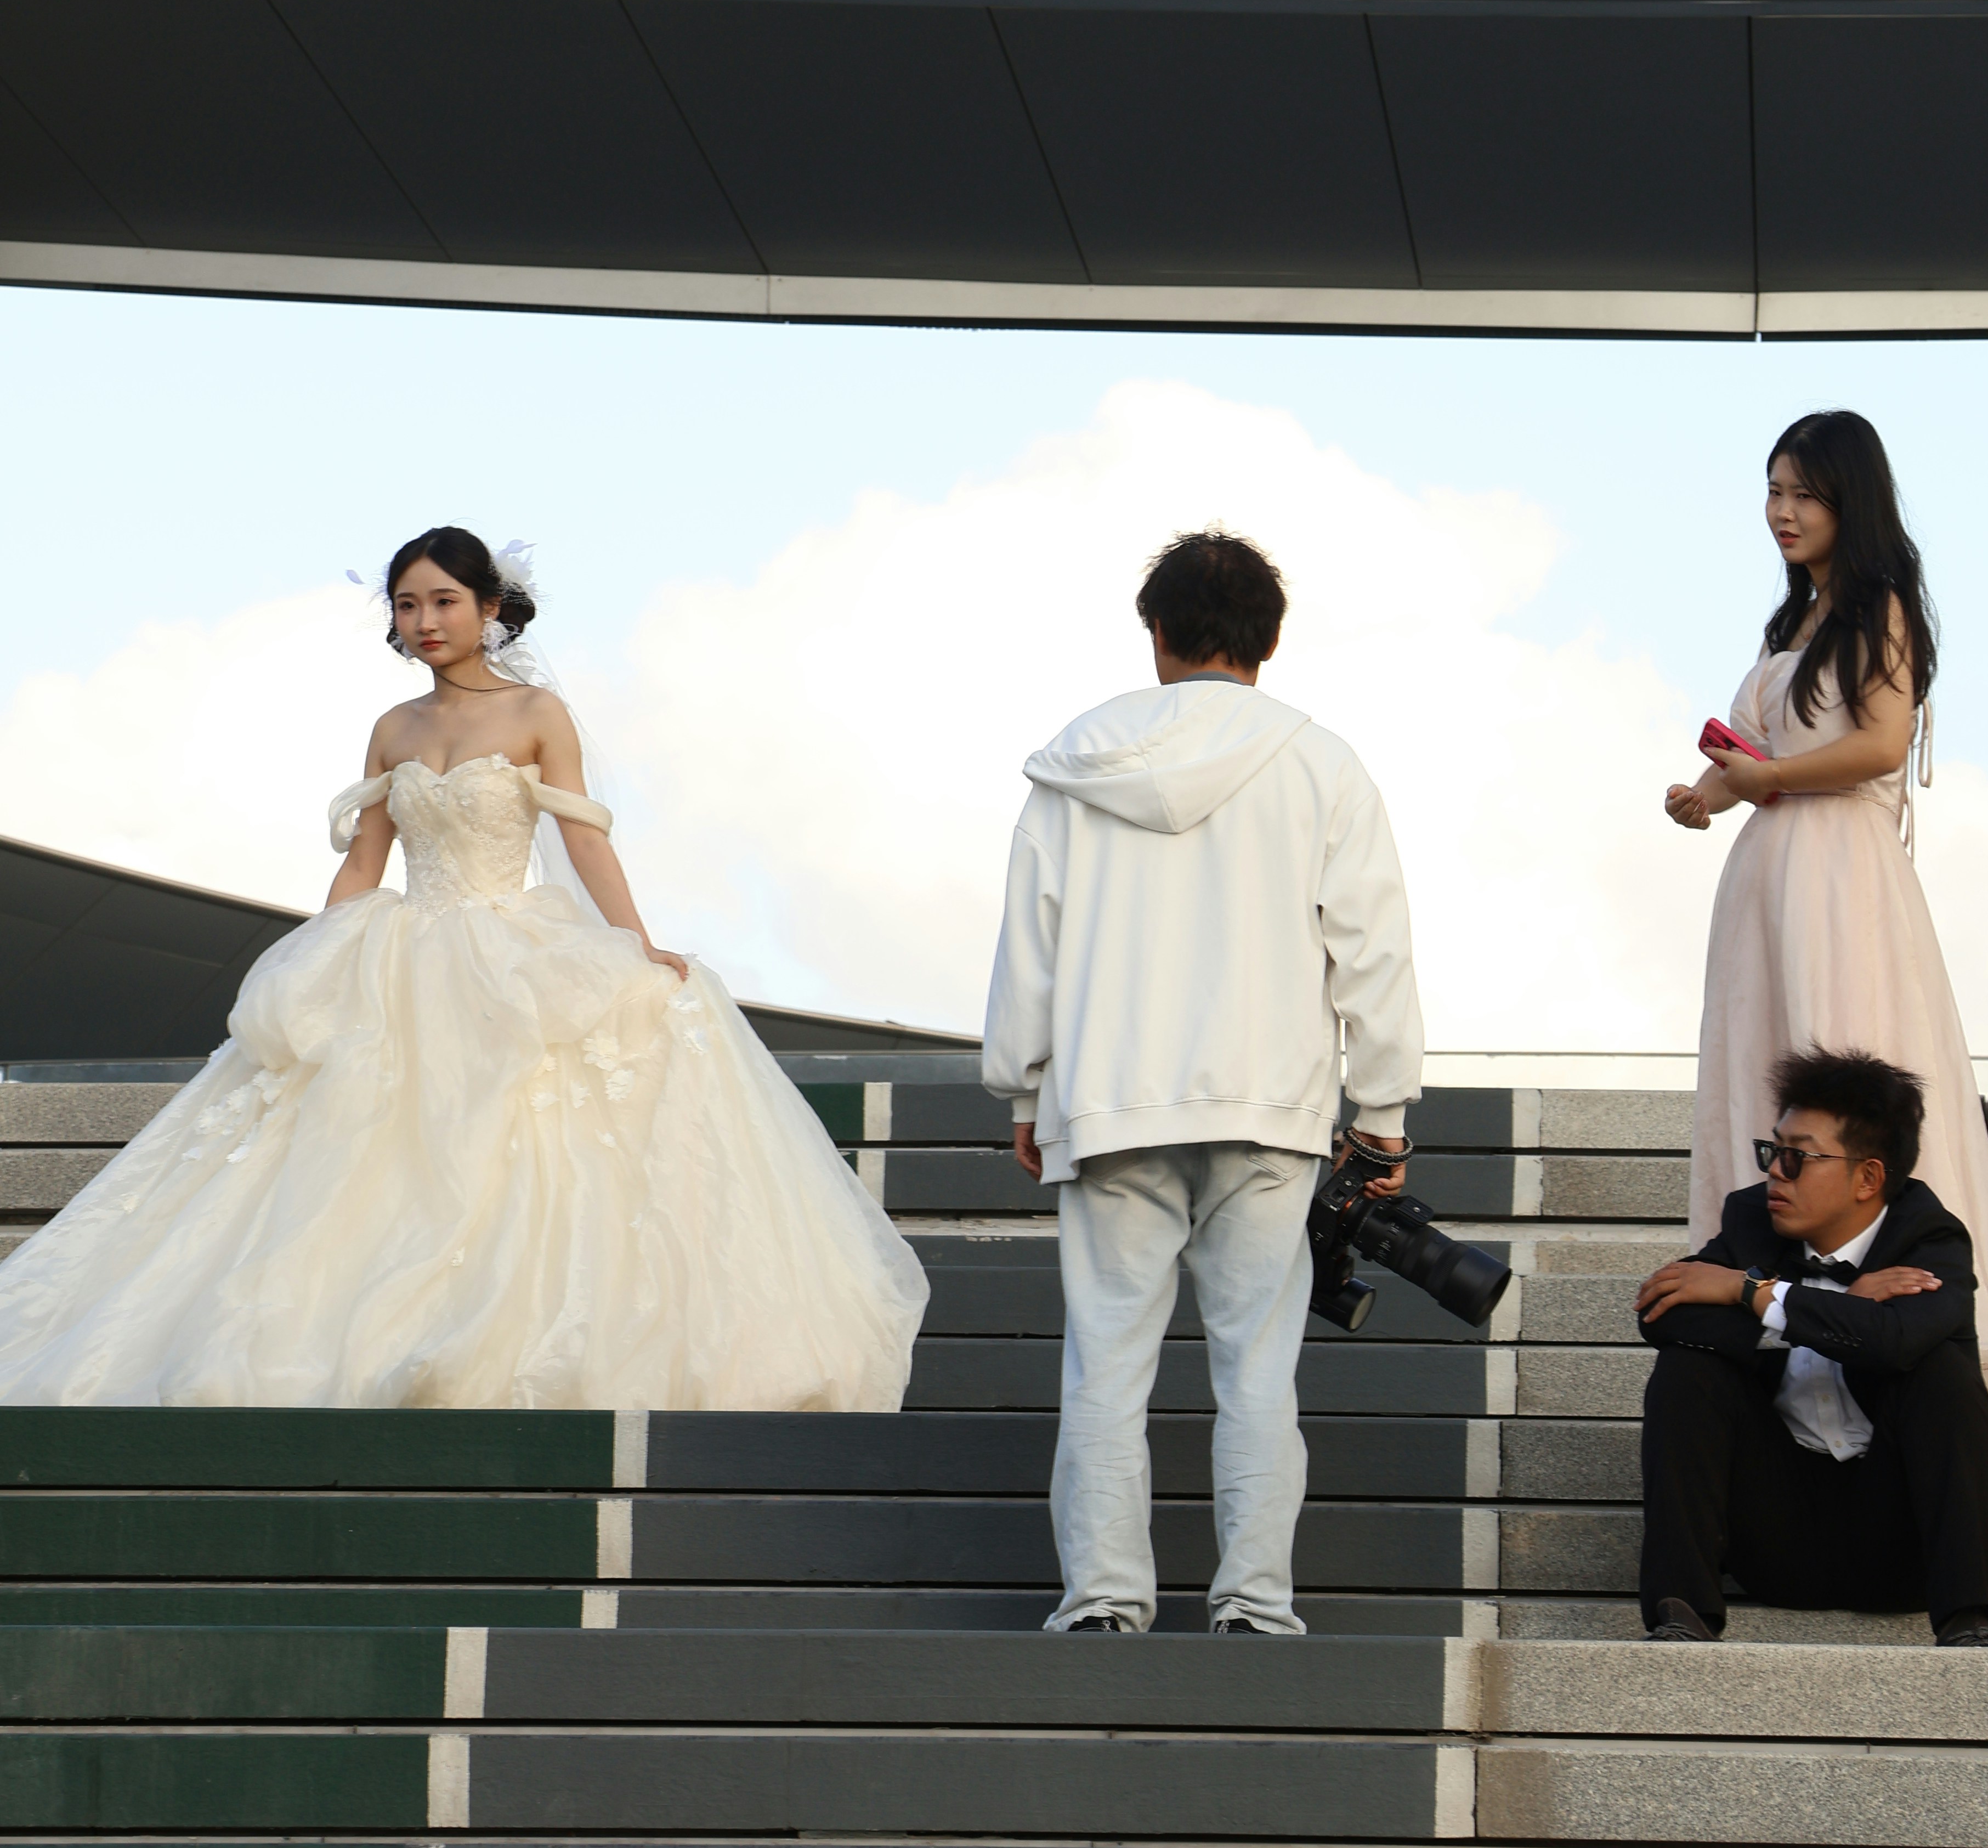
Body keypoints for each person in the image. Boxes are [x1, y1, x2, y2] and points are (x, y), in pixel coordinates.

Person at [0, 529, 927, 1411]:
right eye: (407, 605)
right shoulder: (392, 727)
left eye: (444, 599)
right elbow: (367, 859)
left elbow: (581, 835)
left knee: (517, 1121)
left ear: (490, 607)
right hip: (402, 947)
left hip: (505, 949)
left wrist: (634, 939)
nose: (425, 620)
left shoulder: (535, 713)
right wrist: (316, 960)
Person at [983, 529, 1423, 1637]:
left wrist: (1025, 1088)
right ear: (1267, 642)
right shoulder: (1321, 765)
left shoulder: (1076, 766)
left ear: (1156, 633)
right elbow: (1368, 947)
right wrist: (1379, 1114)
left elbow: (1029, 942)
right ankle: (1254, 1603)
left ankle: (1102, 1599)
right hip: (1265, 1107)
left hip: (1111, 1101)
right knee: (1257, 1371)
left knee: (1106, 1366)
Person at [1666, 409, 1988, 1434]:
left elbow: (1882, 744)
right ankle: (1770, 1325)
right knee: (1767, 1071)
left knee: (1847, 1056)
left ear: (1851, 501)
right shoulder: (1790, 626)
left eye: (1803, 494)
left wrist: (1767, 780)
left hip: (1840, 871)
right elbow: (1751, 750)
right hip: (1770, 876)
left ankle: (1895, 1324)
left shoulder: (1880, 606)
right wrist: (1712, 794)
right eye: (1773, 491)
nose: (1782, 513)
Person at [1635, 1048, 1988, 1646]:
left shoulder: (1930, 1238)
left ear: (1867, 1178)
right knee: (1685, 1372)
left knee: (1940, 1375)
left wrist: (1751, 1294)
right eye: (1773, 1151)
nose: (1776, 1170)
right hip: (1775, 1537)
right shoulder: (1751, 1220)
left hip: (1903, 1545)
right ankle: (1681, 1612)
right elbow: (1662, 1314)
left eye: (1797, 1157)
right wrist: (1818, 1299)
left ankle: (1965, 1621)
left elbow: (1894, 1343)